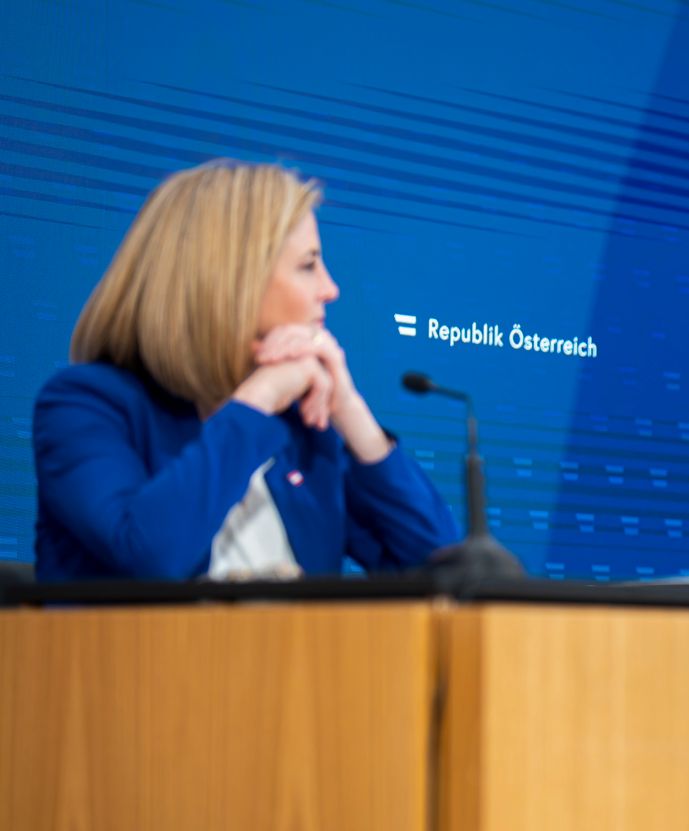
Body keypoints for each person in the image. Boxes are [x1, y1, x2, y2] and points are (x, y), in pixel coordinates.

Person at [33, 160, 458, 581]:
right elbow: (150, 558)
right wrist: (259, 398)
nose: (330, 289)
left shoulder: (303, 430)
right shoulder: (84, 407)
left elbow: (443, 572)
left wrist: (350, 411)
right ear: (234, 280)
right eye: (308, 265)